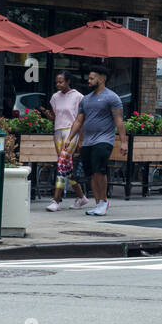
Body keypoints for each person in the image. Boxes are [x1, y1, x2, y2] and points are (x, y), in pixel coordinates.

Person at [66, 65, 125, 216]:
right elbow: (79, 121)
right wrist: (70, 138)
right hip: (88, 142)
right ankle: (98, 203)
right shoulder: (86, 100)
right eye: (89, 78)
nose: (89, 81)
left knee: (100, 170)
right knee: (91, 173)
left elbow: (119, 121)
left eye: (92, 78)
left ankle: (104, 201)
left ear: (102, 79)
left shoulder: (112, 97)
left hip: (104, 140)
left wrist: (124, 142)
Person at [45, 72, 89, 211]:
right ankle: (81, 197)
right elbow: (56, 117)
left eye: (61, 82)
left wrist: (81, 139)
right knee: (66, 167)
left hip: (71, 132)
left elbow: (81, 120)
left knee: (61, 163)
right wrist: (49, 115)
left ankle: (56, 201)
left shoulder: (78, 97)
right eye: (57, 82)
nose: (58, 84)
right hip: (58, 132)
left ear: (68, 81)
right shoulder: (55, 97)